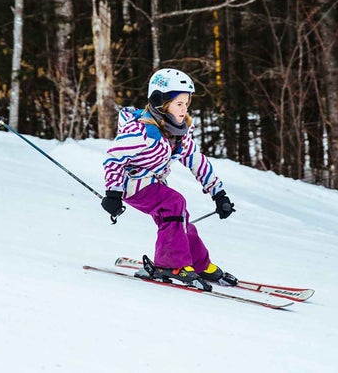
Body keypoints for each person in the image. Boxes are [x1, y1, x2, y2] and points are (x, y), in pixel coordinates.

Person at [100, 68, 236, 290]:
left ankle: (198, 263)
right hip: (132, 185)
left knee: (179, 216)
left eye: (186, 103)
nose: (184, 109)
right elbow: (114, 158)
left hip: (153, 183)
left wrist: (218, 193)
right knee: (174, 203)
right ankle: (170, 264)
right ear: (160, 103)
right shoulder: (141, 133)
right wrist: (113, 193)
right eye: (178, 104)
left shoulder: (178, 133)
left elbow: (197, 161)